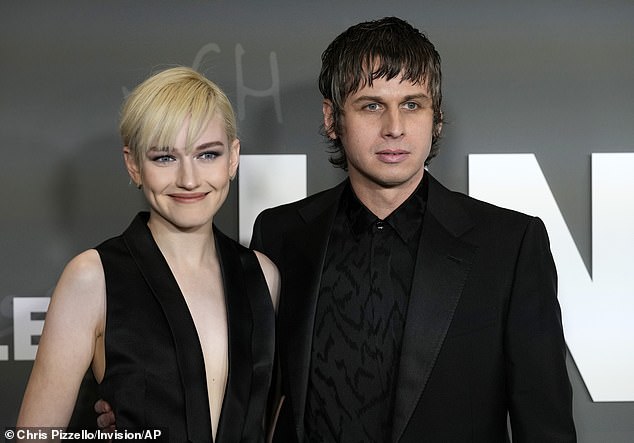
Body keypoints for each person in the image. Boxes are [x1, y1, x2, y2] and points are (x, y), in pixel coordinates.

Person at [249, 17, 576, 442]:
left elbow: (545, 428)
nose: (394, 127)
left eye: (412, 104)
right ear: (332, 118)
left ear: (435, 118)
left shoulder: (509, 246)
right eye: (371, 105)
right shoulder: (280, 235)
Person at [17, 67, 279, 442]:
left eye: (207, 154)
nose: (189, 179)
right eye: (165, 158)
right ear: (133, 164)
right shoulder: (93, 278)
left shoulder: (263, 277)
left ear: (233, 158)